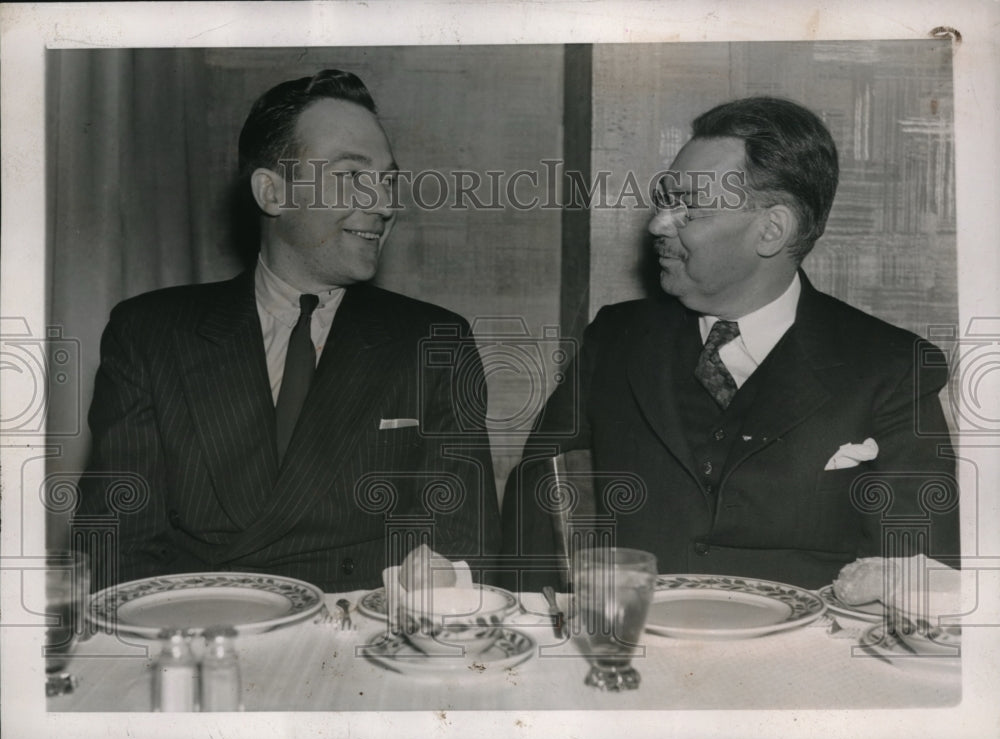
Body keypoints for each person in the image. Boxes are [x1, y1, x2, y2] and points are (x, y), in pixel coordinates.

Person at [501, 96, 960, 591]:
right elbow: (537, 510)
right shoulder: (615, 338)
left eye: (687, 209)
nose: (658, 225)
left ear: (771, 229)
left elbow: (921, 577)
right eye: (664, 200)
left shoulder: (891, 368)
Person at [74, 70, 500, 592]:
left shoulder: (436, 340)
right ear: (273, 192)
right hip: (203, 636)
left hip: (360, 646)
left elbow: (461, 549)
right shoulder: (148, 334)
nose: (385, 205)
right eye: (352, 177)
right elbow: (116, 551)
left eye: (388, 181)